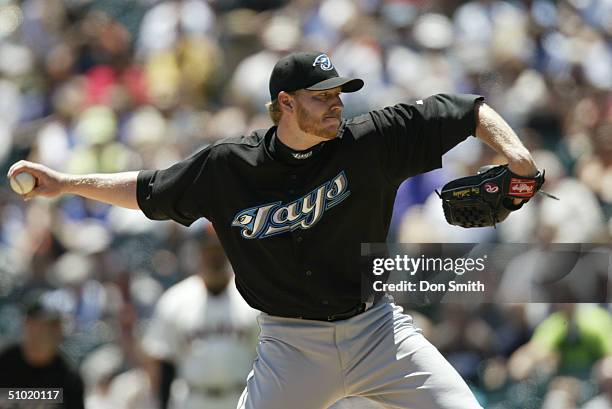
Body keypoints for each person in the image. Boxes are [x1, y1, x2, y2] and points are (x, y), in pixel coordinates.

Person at [8, 51, 539, 409]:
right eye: (321, 95)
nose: (336, 102)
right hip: (291, 345)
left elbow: (465, 109)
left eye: (339, 93)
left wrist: (516, 155)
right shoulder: (228, 167)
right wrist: (66, 183)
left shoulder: (371, 140)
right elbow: (146, 189)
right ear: (285, 103)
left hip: (378, 332)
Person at [141, 227, 259, 409]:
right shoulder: (176, 300)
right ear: (199, 253)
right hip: (193, 399)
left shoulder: (253, 300)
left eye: (219, 250)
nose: (214, 259)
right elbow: (163, 361)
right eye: (209, 251)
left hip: (242, 397)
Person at [0, 291, 85, 409]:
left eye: (57, 324)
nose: (52, 332)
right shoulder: (4, 362)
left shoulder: (68, 376)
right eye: (46, 324)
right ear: (27, 324)